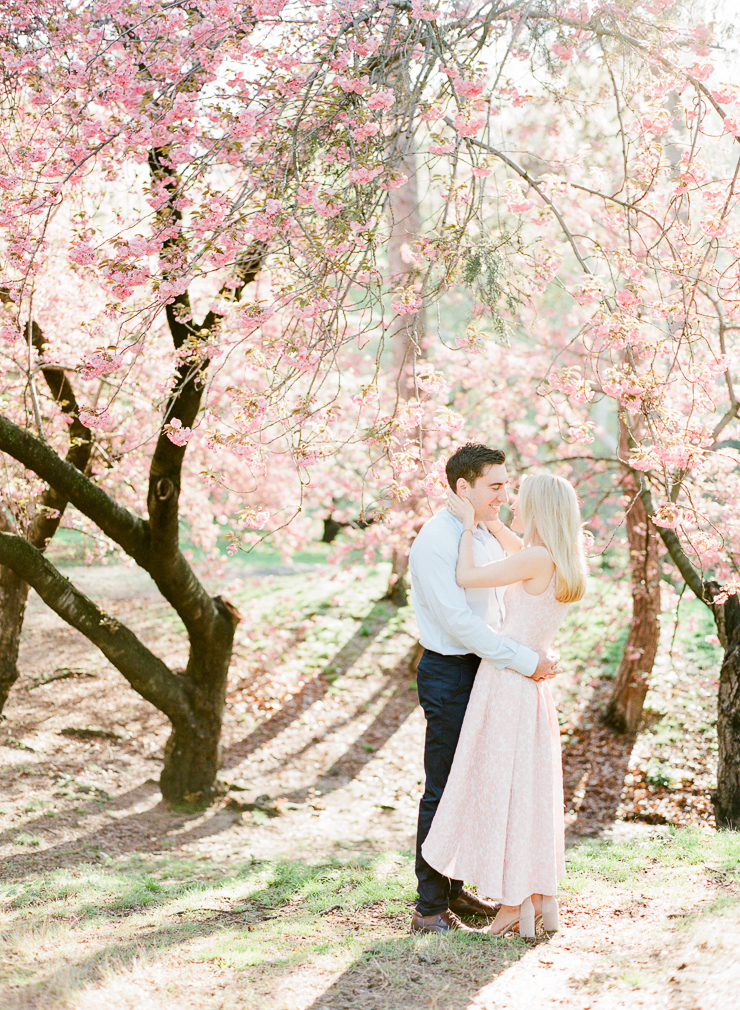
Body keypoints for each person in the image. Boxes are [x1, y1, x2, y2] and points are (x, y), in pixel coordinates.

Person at [421, 471, 588, 938]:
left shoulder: (535, 557)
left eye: (521, 500)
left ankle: (514, 903)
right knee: (528, 789)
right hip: (531, 684)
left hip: (507, 680)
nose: (511, 503)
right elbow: (520, 552)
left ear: (540, 509)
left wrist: (471, 527)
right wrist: (493, 528)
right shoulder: (559, 557)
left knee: (504, 788)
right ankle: (536, 898)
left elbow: (466, 576)